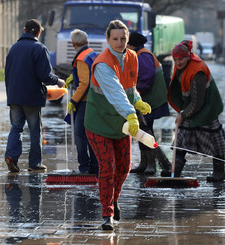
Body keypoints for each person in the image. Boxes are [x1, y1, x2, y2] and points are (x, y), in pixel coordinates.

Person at [84, 20, 151, 230]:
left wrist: (137, 99)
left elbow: (129, 87)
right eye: (115, 39)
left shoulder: (132, 57)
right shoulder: (103, 63)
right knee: (108, 166)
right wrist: (132, 114)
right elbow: (116, 92)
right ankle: (107, 214)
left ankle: (113, 199)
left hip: (120, 123)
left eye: (123, 39)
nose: (120, 43)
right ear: (107, 39)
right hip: (99, 122)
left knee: (124, 167)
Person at [164, 40, 225, 182]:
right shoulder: (183, 68)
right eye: (175, 60)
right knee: (182, 135)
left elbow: (198, 101)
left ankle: (219, 172)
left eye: (181, 59)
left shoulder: (198, 72)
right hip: (193, 106)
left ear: (188, 57)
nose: (178, 63)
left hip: (208, 108)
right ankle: (175, 171)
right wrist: (182, 112)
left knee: (215, 139)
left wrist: (183, 114)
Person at [4, 19, 65, 172]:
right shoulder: (40, 48)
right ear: (38, 32)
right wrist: (58, 82)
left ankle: (11, 156)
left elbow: (7, 74)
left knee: (16, 128)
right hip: (32, 97)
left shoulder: (13, 48)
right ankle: (34, 163)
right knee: (34, 129)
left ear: (24, 30)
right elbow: (45, 76)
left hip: (14, 96)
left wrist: (10, 94)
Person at [126, 32, 170, 175]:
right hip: (145, 100)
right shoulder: (139, 54)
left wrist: (136, 93)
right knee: (142, 131)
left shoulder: (143, 55)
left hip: (150, 101)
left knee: (146, 131)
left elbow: (146, 78)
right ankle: (145, 164)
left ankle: (151, 164)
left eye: (126, 43)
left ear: (131, 44)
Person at [65, 29, 99, 175]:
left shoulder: (81, 58)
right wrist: (74, 77)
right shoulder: (93, 54)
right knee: (91, 134)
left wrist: (73, 100)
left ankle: (84, 167)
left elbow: (84, 83)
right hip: (96, 100)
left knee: (80, 133)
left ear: (73, 44)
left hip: (86, 101)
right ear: (86, 42)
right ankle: (95, 166)